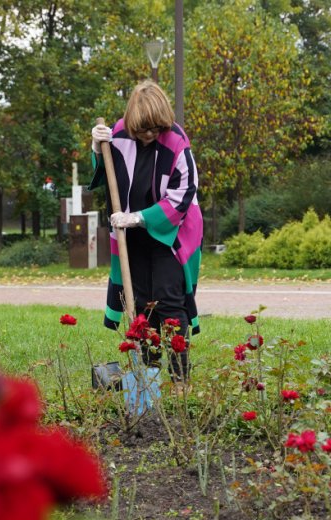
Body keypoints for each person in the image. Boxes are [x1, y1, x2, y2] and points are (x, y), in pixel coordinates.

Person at [89, 80, 202, 387]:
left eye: (154, 129)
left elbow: (184, 192)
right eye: (143, 131)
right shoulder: (122, 132)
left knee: (168, 301)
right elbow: (106, 169)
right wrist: (98, 145)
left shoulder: (177, 141)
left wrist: (140, 217)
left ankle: (180, 382)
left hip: (171, 233)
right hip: (131, 235)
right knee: (139, 303)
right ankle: (148, 381)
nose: (149, 135)